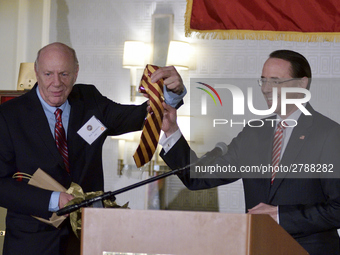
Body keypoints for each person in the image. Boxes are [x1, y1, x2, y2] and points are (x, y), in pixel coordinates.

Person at [0, 42, 186, 255]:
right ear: (36, 72)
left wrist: (171, 95)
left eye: (64, 74)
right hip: (31, 244)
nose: (56, 83)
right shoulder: (8, 116)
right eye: (48, 74)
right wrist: (53, 200)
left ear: (76, 73)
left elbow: (137, 116)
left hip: (86, 239)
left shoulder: (89, 100)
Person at [160, 50, 340, 255]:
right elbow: (198, 177)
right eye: (263, 81)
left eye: (275, 81)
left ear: (302, 84)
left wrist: (282, 216)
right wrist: (172, 132)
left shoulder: (329, 134)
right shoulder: (254, 133)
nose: (266, 89)